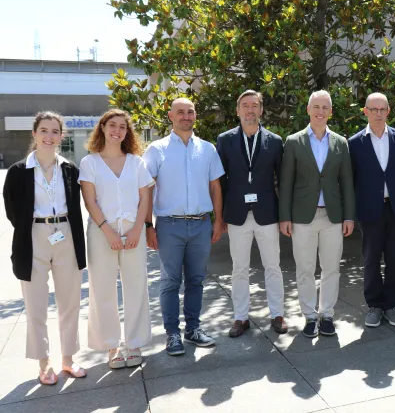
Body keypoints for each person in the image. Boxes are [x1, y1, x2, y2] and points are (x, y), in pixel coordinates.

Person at [3, 112, 87, 385]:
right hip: (33, 237)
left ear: (61, 136)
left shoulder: (70, 169)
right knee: (36, 305)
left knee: (70, 303)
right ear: (34, 133)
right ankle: (44, 363)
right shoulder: (18, 171)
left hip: (66, 235)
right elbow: (12, 211)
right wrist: (38, 228)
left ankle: (68, 360)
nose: (49, 136)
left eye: (54, 131)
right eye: (44, 130)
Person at [143, 97, 226, 355]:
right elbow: (147, 189)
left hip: (201, 224)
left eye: (190, 112)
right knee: (169, 281)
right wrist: (148, 225)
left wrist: (219, 221)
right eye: (180, 112)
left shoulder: (208, 149)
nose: (186, 116)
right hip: (169, 226)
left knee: (196, 280)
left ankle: (193, 329)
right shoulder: (157, 149)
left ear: (195, 116)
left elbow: (215, 187)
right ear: (170, 116)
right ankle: (172, 335)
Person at [79, 109, 153, 369]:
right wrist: (108, 232)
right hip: (101, 234)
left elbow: (144, 198)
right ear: (102, 128)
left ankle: (134, 343)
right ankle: (111, 346)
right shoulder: (89, 163)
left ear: (127, 132)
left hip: (133, 232)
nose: (117, 130)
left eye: (123, 126)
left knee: (136, 286)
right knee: (102, 289)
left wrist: (137, 230)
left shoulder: (137, 162)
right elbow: (90, 201)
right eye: (112, 125)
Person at [279, 90, 355, 338]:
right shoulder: (293, 141)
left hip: (333, 217)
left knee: (331, 268)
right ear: (308, 110)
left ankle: (328, 315)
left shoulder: (341, 143)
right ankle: (310, 316)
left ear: (330, 112)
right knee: (305, 268)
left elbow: (347, 183)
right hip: (302, 217)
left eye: (325, 107)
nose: (320, 111)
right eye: (316, 107)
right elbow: (286, 182)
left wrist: (349, 216)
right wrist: (285, 217)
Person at [216, 90, 287, 337]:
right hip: (236, 213)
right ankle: (240, 318)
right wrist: (220, 214)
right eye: (245, 105)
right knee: (239, 268)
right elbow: (219, 181)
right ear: (237, 110)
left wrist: (285, 214)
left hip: (267, 213)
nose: (250, 110)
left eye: (254, 105)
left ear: (261, 110)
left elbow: (283, 181)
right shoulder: (224, 140)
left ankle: (277, 314)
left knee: (273, 266)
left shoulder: (275, 141)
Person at [348, 92, 395, 328]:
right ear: (365, 111)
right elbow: (351, 180)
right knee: (371, 259)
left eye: (382, 109)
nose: (378, 114)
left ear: (388, 111)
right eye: (373, 109)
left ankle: (392, 306)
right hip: (370, 211)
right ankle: (374, 306)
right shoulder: (354, 143)